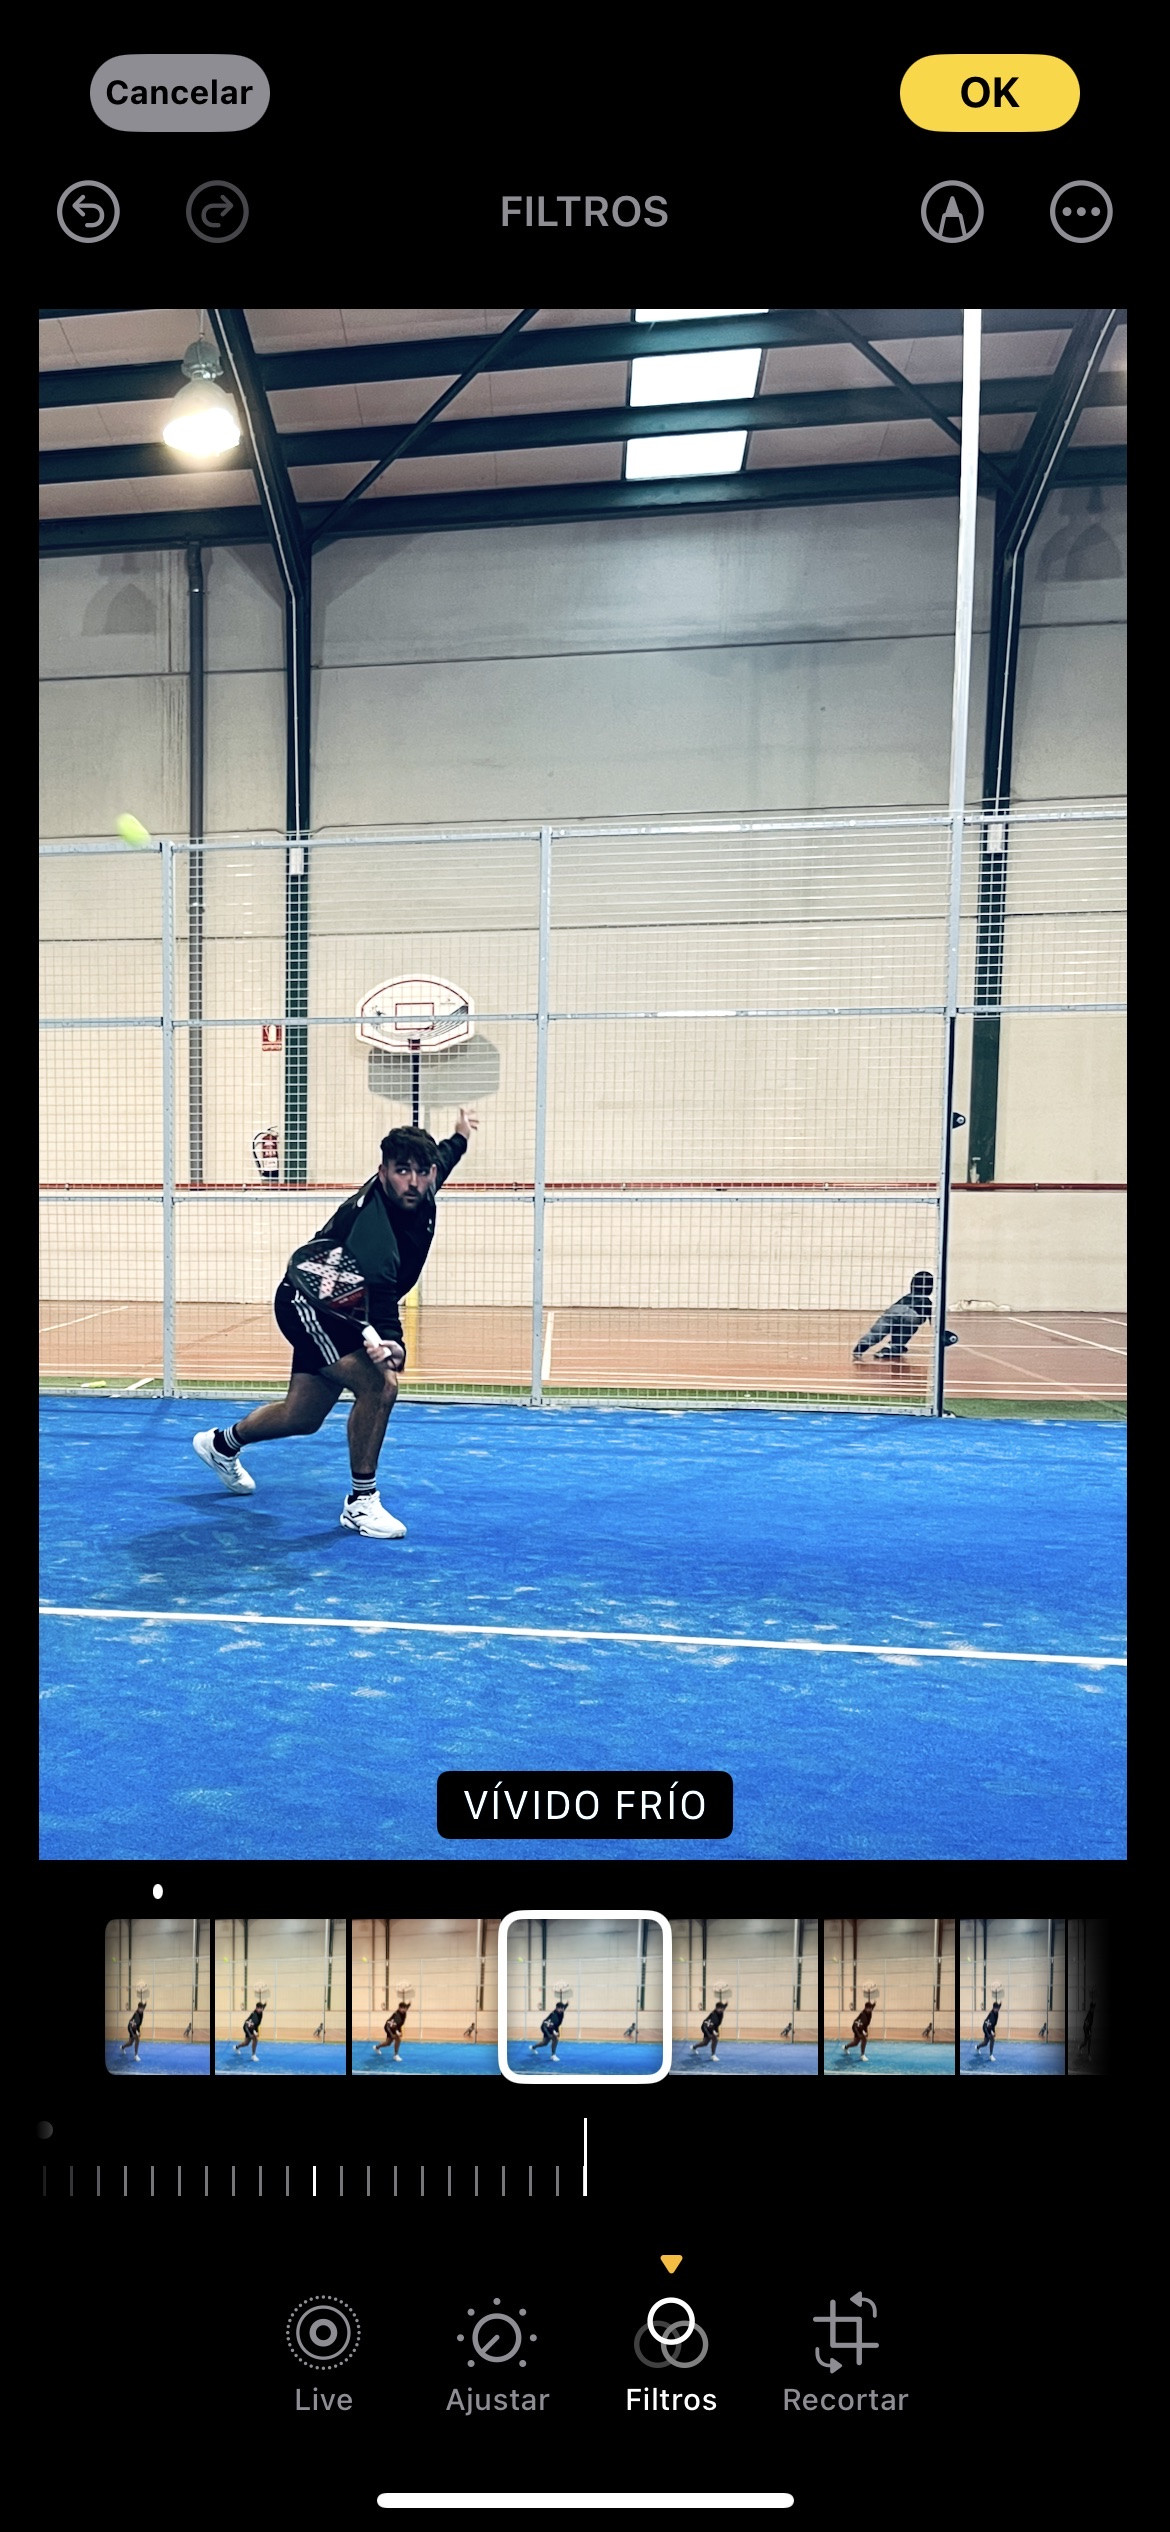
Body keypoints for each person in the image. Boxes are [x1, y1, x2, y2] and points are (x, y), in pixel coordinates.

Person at [194, 1112, 478, 1538]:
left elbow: (444, 1157)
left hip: (345, 1305)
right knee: (379, 1385)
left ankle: (221, 1444)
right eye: (402, 1171)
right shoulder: (376, 1230)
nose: (414, 1182)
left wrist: (460, 1137)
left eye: (423, 1171)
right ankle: (361, 1503)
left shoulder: (423, 1186)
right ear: (382, 1172)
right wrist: (393, 1344)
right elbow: (382, 1298)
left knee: (302, 1416)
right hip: (308, 1305)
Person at [853, 1271, 951, 1362]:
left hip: (895, 1309)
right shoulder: (926, 1301)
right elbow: (926, 1316)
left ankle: (864, 1344)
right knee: (907, 1329)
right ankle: (894, 1347)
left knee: (878, 1331)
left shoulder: (906, 1297)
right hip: (912, 1314)